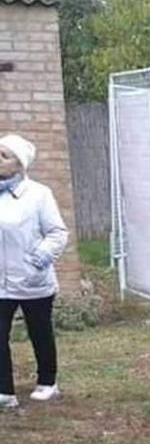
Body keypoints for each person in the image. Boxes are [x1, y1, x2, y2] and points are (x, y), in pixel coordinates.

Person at [0, 131, 69, 408]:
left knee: (39, 331)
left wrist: (37, 258)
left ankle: (47, 382)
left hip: (32, 280)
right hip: (1, 283)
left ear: (20, 164)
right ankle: (5, 391)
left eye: (3, 155)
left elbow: (57, 232)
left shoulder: (39, 195)